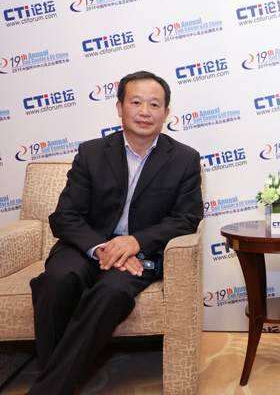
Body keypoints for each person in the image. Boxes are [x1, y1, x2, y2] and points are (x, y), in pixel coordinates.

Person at [28, 71, 203, 394]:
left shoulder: (184, 159)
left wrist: (136, 241)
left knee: (112, 291)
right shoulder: (92, 153)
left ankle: (49, 389)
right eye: (136, 102)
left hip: (140, 254)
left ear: (166, 113)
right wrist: (101, 247)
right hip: (85, 248)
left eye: (154, 105)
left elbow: (187, 219)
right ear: (120, 107)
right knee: (56, 280)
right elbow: (65, 216)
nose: (145, 112)